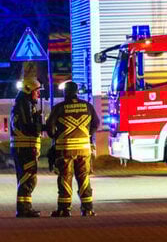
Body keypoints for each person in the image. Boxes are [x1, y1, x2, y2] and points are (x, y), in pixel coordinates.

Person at [46, 81, 100, 217]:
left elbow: (50, 127)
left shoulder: (59, 107)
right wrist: (88, 135)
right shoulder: (88, 106)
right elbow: (96, 123)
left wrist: (57, 137)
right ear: (77, 92)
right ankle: (87, 208)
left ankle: (64, 209)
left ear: (65, 92)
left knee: (65, 177)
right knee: (83, 177)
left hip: (65, 149)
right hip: (83, 148)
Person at [10, 77, 43, 218]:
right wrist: (39, 124)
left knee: (25, 177)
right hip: (25, 147)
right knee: (28, 177)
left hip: (23, 147)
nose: (38, 94)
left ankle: (25, 208)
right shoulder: (24, 104)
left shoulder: (24, 103)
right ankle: (23, 209)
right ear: (28, 90)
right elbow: (29, 127)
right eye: (37, 91)